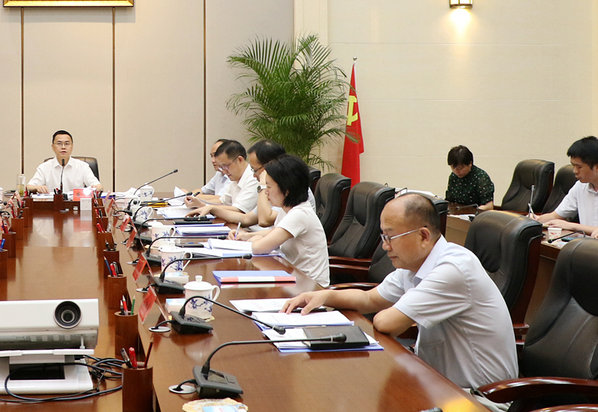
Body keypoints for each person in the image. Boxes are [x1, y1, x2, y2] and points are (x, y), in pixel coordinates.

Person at [282, 193, 517, 392]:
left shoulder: (453, 269)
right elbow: (370, 298)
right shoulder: (414, 264)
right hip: (437, 380)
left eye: (390, 237)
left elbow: (387, 322)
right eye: (383, 237)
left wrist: (386, 312)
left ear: (423, 236)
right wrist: (325, 295)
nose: (385, 246)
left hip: (479, 398)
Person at [229, 154, 329, 287]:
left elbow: (258, 248)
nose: (265, 192)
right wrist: (247, 235)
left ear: (286, 190)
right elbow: (275, 232)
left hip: (310, 287)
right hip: (293, 277)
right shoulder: (287, 209)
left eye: (268, 187)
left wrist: (256, 240)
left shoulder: (299, 214)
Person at [184, 140, 259, 227]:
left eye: (226, 166)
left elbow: (238, 211)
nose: (224, 171)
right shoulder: (235, 177)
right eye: (221, 167)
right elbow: (222, 202)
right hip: (235, 227)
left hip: (250, 230)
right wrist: (201, 205)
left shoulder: (253, 178)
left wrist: (208, 207)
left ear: (240, 160)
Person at [534, 136, 598, 236]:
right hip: (586, 243)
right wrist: (535, 220)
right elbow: (555, 216)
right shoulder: (580, 186)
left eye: (579, 167)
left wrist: (572, 226)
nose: (575, 171)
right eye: (573, 166)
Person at [26, 130, 101, 193]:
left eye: (67, 144)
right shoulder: (44, 167)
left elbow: (99, 186)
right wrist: (37, 187)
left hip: (76, 204)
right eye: (59, 144)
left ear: (72, 146)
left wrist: (94, 188)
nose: (63, 147)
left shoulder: (82, 166)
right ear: (53, 147)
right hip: (52, 204)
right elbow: (29, 186)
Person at [444, 145, 495, 211]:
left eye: (460, 168)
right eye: (453, 168)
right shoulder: (453, 176)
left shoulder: (481, 177)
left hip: (476, 215)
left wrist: (473, 211)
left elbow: (489, 206)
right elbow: (449, 201)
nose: (456, 171)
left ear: (470, 164)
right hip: (456, 214)